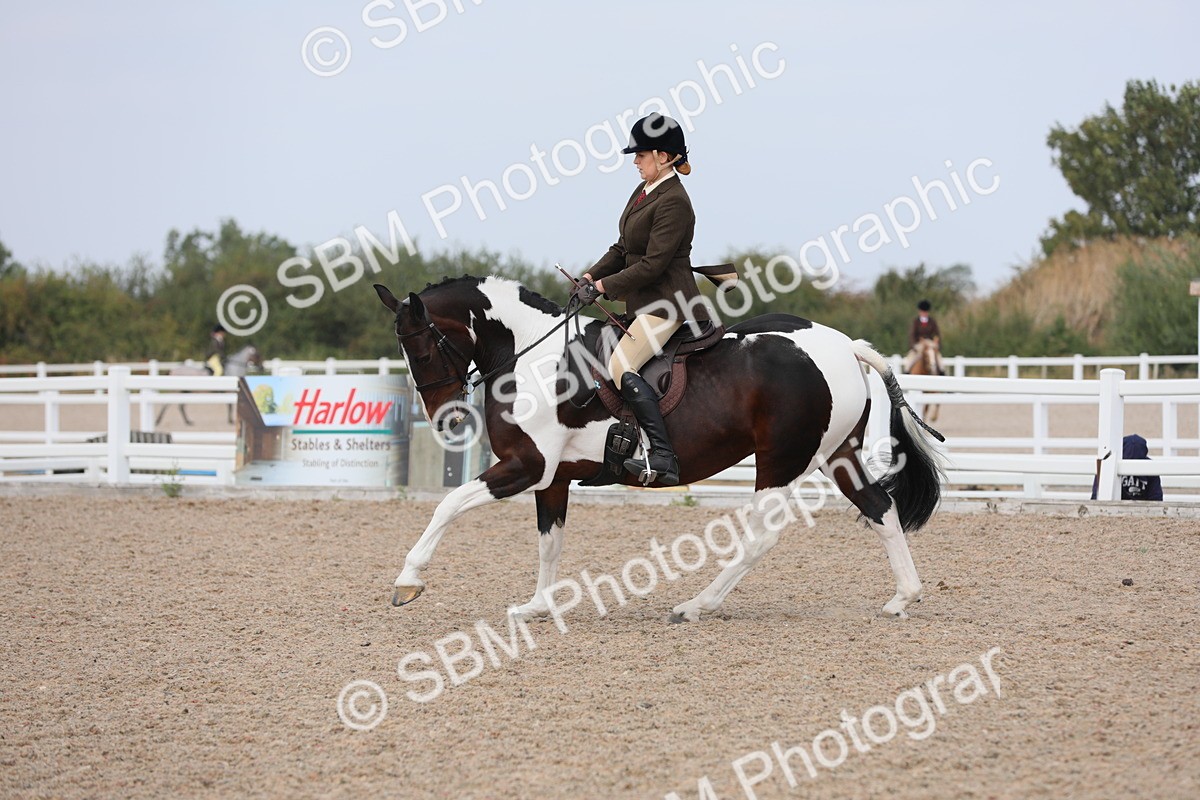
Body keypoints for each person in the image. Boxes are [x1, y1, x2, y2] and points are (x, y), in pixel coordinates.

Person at [573, 113, 708, 486]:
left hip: (668, 304)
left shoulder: (675, 201)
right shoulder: (645, 191)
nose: (635, 161)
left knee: (621, 367)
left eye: (641, 155)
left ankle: (663, 455)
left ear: (663, 157)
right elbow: (622, 248)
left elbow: (652, 265)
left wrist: (602, 289)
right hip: (644, 303)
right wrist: (589, 275)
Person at [1091, 434, 1164, 501]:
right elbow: (1156, 498)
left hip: (1141, 510)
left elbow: (1156, 498)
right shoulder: (1108, 465)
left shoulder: (1108, 465)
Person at [902, 299, 944, 374]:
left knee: (939, 359)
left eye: (925, 312)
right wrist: (914, 346)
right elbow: (912, 335)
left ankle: (942, 372)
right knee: (910, 359)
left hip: (930, 344)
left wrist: (936, 341)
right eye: (923, 311)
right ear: (920, 311)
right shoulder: (916, 322)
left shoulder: (932, 321)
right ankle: (906, 372)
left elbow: (937, 333)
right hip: (919, 344)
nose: (924, 313)